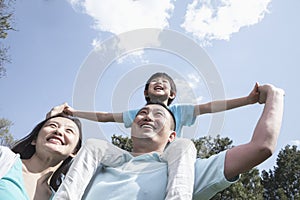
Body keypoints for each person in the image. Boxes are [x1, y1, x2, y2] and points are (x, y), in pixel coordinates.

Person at [53, 83, 284, 200]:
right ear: (131, 125)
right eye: (141, 114)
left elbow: (261, 147)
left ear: (172, 134)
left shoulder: (186, 170)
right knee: (93, 144)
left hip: (174, 158)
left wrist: (273, 95)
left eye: (158, 115)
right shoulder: (93, 166)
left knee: (185, 148)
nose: (147, 116)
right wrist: (62, 117)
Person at [0, 113, 83, 200]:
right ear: (34, 140)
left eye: (69, 130)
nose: (59, 131)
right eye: (52, 125)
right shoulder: (3, 158)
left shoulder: (59, 196)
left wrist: (75, 112)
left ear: (75, 151)